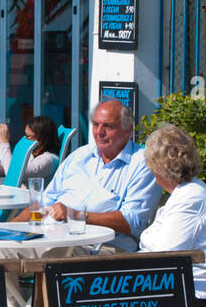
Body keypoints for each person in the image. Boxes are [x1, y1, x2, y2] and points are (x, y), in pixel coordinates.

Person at [138, 124, 206, 307]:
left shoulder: (190, 198)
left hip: (203, 295)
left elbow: (164, 256)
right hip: (192, 286)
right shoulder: (186, 193)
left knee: (113, 303)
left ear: (158, 168)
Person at [41, 99, 161, 251]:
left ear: (128, 129)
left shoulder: (142, 163)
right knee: (1, 251)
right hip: (53, 236)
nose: (99, 132)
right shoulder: (79, 156)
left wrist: (76, 216)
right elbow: (45, 201)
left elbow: (133, 221)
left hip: (104, 247)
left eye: (108, 126)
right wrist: (7, 229)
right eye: (96, 125)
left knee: (53, 259)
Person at [0, 114, 61, 184]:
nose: (25, 139)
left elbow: (14, 173)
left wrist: (4, 143)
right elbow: (17, 171)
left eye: (28, 136)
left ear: (42, 139)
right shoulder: (32, 154)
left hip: (29, 194)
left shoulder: (48, 160)